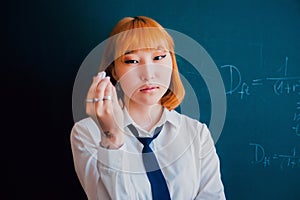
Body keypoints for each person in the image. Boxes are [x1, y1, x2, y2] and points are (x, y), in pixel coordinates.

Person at [70, 16, 226, 200]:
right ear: (113, 70)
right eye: (132, 61)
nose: (148, 74)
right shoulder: (87, 133)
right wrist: (112, 137)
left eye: (159, 57)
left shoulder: (196, 134)